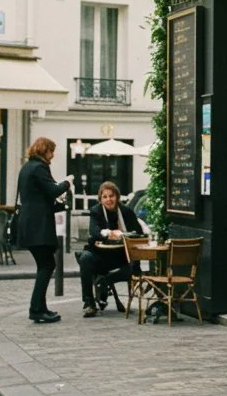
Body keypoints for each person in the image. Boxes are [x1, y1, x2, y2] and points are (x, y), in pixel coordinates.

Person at [14, 137, 73, 324]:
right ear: (44, 150)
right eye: (51, 151)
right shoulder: (39, 168)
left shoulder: (27, 167)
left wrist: (59, 206)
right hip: (38, 226)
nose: (53, 155)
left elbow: (39, 197)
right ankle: (36, 309)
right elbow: (53, 190)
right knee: (47, 265)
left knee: (45, 265)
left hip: (30, 224)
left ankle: (40, 307)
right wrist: (67, 183)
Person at [77, 181, 149, 318]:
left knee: (133, 268)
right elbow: (94, 231)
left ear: (117, 197)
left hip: (120, 255)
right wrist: (108, 233)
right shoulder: (96, 211)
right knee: (85, 259)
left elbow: (138, 233)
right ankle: (89, 303)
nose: (108, 200)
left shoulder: (127, 212)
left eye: (111, 196)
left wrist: (126, 235)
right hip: (100, 254)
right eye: (104, 197)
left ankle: (104, 281)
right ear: (100, 199)